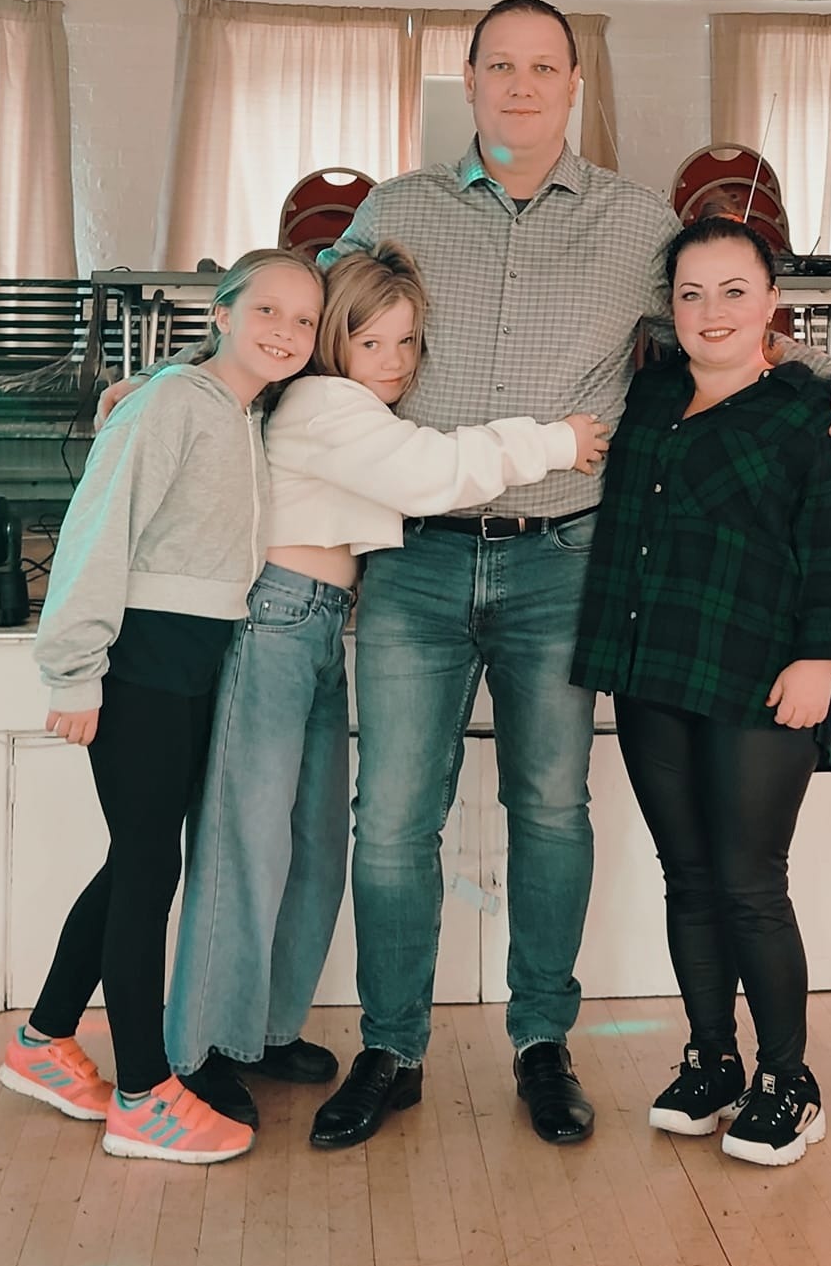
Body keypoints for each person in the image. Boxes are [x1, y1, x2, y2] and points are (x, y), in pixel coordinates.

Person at [97, 0, 831, 1151]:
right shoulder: (397, 208)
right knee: (388, 820)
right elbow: (296, 325)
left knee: (551, 812)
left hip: (563, 560)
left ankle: (540, 1042)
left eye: (542, 68)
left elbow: (721, 313)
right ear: (468, 81)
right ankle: (391, 1047)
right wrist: (179, 380)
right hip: (413, 562)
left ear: (573, 84)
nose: (520, 86)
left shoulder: (632, 221)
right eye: (499, 66)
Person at [162, 241, 608, 1129]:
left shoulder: (345, 404)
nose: (396, 362)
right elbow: (428, 471)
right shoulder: (325, 402)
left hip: (325, 621)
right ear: (336, 340)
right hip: (278, 619)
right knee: (246, 841)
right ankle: (200, 1048)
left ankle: (264, 1030)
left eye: (408, 342)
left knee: (315, 842)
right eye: (373, 343)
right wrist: (557, 440)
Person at [0, 248, 325, 1165]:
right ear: (221, 313)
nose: (286, 331)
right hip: (137, 658)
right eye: (267, 310)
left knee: (137, 861)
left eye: (304, 319)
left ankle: (44, 1040)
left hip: (191, 660)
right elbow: (97, 531)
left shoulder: (237, 412)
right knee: (149, 869)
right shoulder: (173, 404)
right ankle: (143, 1092)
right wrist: (74, 671)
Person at [571, 216, 831, 1166]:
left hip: (765, 677)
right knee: (690, 878)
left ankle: (790, 1081)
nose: (713, 311)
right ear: (668, 308)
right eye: (692, 293)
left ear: (772, 303)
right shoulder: (647, 395)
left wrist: (822, 659)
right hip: (652, 664)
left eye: (735, 291)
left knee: (750, 886)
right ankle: (712, 1059)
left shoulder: (817, 410)